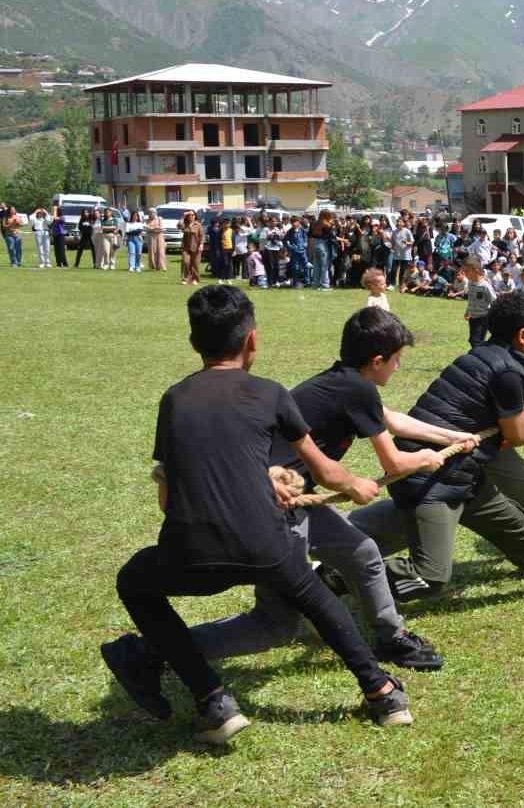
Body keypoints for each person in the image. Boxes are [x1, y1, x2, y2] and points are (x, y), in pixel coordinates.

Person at [100, 286, 411, 744]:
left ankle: (213, 701)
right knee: (317, 601)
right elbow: (324, 471)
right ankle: (383, 693)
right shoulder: (271, 394)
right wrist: (356, 485)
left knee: (134, 582)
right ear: (252, 342)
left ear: (194, 344)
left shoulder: (174, 400)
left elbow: (168, 498)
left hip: (193, 554)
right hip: (266, 546)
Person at [172, 308, 460, 674]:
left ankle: (392, 637)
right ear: (376, 361)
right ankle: (160, 648)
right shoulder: (357, 389)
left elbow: (391, 418)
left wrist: (452, 438)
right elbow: (395, 465)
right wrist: (424, 459)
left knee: (363, 552)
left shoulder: (344, 382)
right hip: (275, 507)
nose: (398, 368)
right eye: (397, 360)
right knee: (275, 624)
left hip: (292, 500)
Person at [348, 292, 524, 601]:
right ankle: (343, 574)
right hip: (431, 474)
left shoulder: (484, 353)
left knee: (513, 526)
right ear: (522, 336)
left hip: (462, 470)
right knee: (431, 576)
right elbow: (517, 434)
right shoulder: (508, 372)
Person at [146, 208, 166, 273]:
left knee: (160, 251)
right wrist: (153, 229)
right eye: (150, 213)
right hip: (151, 237)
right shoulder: (148, 220)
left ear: (155, 213)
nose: (151, 214)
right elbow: (147, 229)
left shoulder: (159, 219)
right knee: (152, 251)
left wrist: (153, 228)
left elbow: (162, 229)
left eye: (152, 213)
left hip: (159, 236)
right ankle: (153, 266)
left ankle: (161, 266)